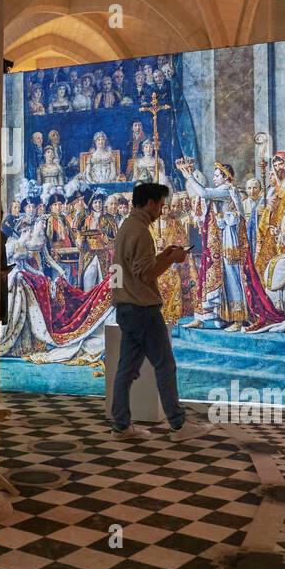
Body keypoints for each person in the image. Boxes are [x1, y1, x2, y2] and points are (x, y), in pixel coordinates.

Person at [109, 182, 191, 441]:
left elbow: (133, 270)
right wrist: (172, 259)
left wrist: (163, 255)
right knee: (165, 365)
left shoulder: (126, 227)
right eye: (161, 205)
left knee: (126, 370)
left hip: (125, 306)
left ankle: (121, 425)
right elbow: (145, 275)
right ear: (150, 203)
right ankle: (178, 425)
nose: (161, 211)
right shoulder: (141, 232)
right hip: (143, 308)